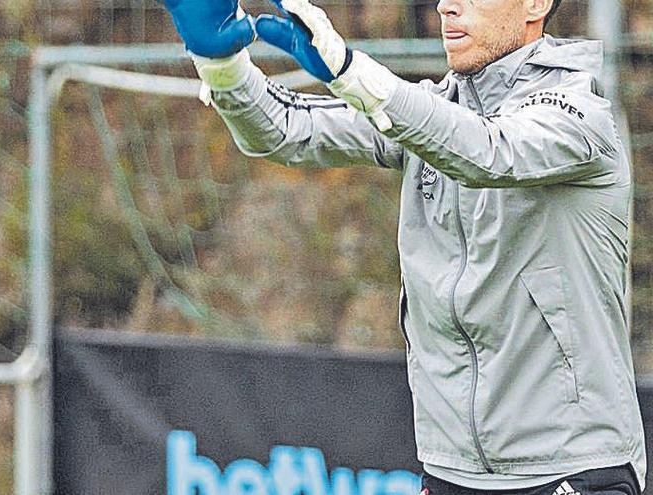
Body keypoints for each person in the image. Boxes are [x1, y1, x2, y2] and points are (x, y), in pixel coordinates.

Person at [157, 0, 648, 493]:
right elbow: (287, 130)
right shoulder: (429, 113)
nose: (446, 5)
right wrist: (221, 65)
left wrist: (352, 72)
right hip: (449, 470)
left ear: (536, 5)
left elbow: (487, 151)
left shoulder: (580, 112)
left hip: (574, 468)